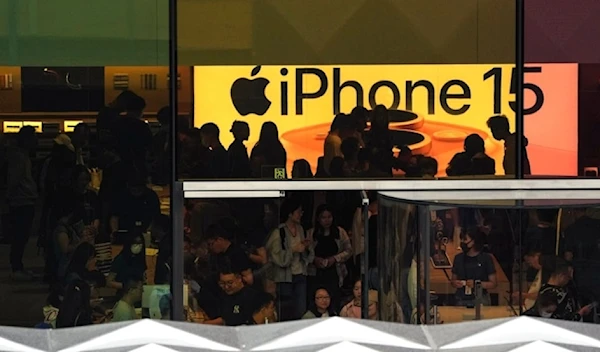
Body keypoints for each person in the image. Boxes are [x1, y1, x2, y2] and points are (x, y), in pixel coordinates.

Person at [266, 197, 314, 320]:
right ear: (290, 213)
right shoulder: (279, 232)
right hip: (285, 278)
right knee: (286, 311)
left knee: (300, 311)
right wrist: (293, 250)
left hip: (300, 274)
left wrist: (306, 247)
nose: (301, 214)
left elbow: (306, 255)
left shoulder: (301, 229)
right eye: (298, 211)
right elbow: (276, 257)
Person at [7, 126, 38, 281]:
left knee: (22, 235)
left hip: (23, 199)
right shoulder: (19, 157)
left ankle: (18, 265)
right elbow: (14, 179)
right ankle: (16, 266)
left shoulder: (22, 156)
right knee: (20, 235)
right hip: (21, 200)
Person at [306, 204, 352, 309]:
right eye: (323, 217)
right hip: (315, 273)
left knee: (333, 301)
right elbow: (305, 253)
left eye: (329, 217)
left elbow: (349, 250)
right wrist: (314, 259)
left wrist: (335, 258)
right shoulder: (311, 233)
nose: (327, 220)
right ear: (318, 218)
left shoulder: (340, 232)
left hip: (335, 272)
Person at [451, 227, 497, 306]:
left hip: (480, 299)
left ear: (474, 241)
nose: (462, 242)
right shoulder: (458, 258)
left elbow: (493, 283)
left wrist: (477, 284)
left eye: (465, 239)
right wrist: (455, 283)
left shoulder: (486, 258)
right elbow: (453, 280)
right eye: (461, 239)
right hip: (461, 298)